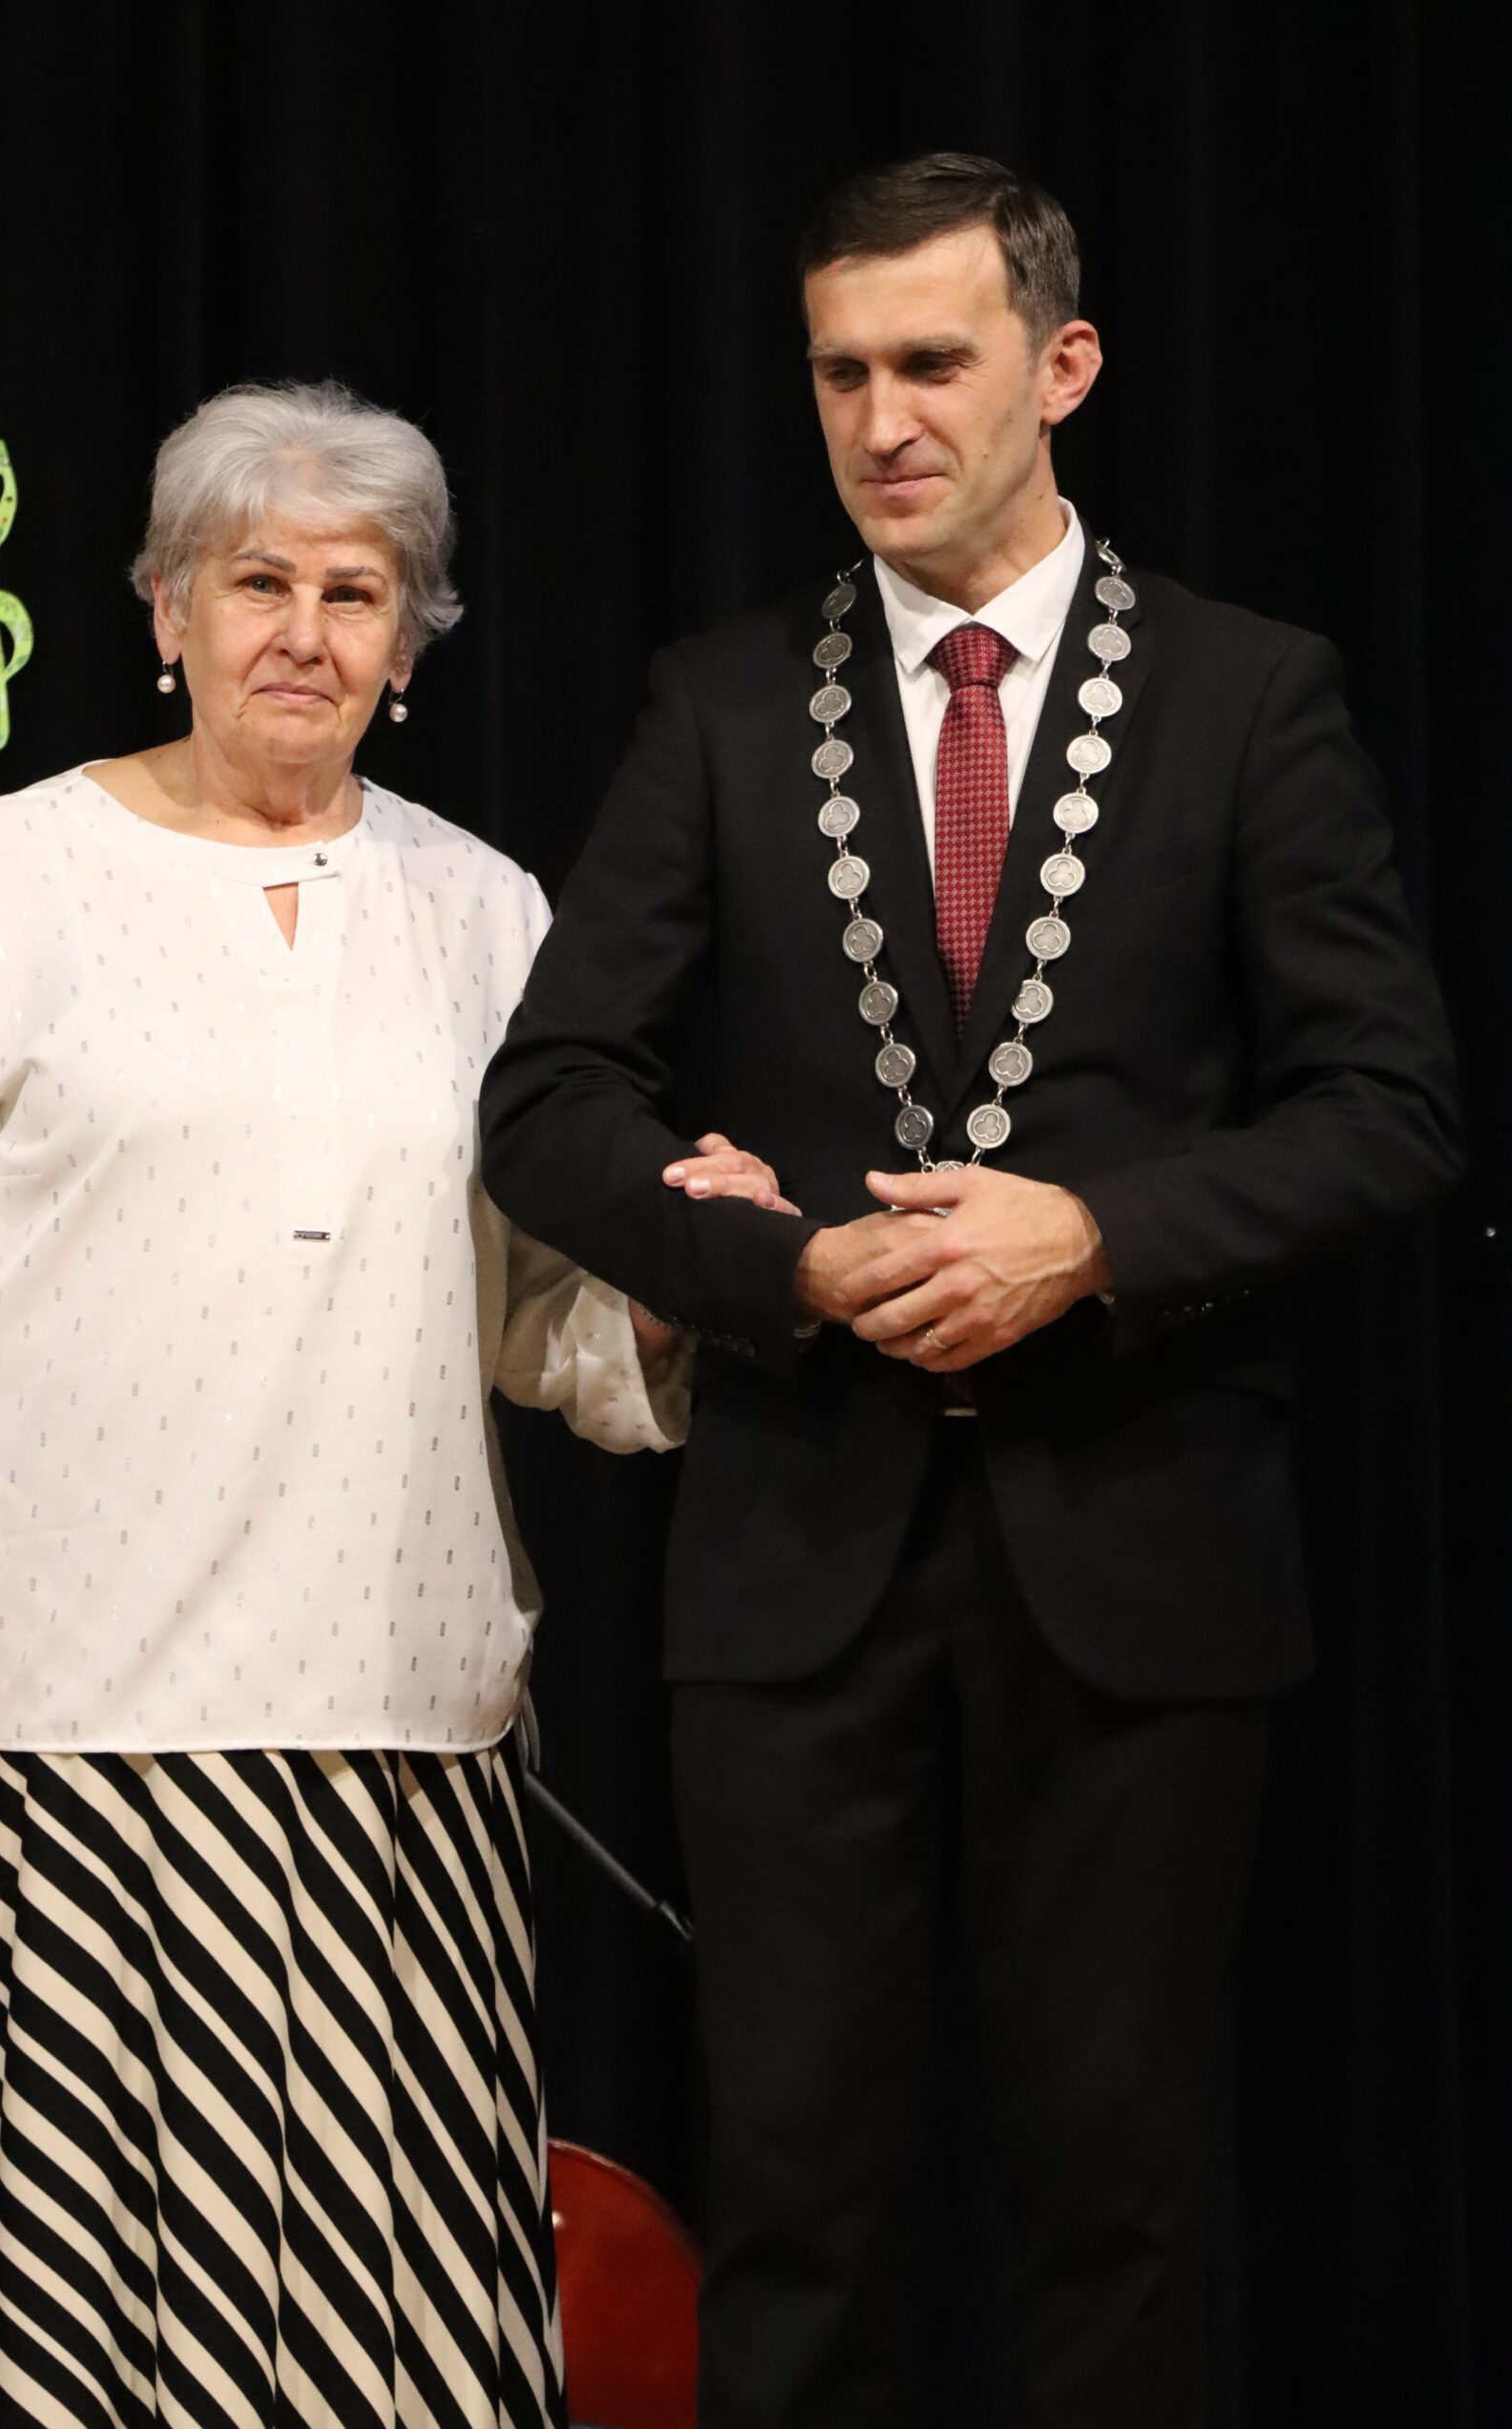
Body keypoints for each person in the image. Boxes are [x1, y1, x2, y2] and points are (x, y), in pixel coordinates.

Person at [478, 155, 1462, 2428]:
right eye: (840, 372)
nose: (882, 417)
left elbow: (1392, 1105)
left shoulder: (1248, 693)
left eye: (932, 361)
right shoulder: (723, 702)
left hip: (1141, 1552)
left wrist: (1094, 1234)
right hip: (796, 1560)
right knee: (800, 2207)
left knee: (1122, 2209)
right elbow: (550, 1099)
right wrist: (784, 1263)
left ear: (1064, 364)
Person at [0, 380, 781, 2429]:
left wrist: (684, 1281)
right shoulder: (7, 874)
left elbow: (542, 1323)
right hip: (57, 1756)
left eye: (355, 591)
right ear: (166, 611)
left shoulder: (487, 914)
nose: (304, 631)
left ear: (409, 643)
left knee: (378, 2352)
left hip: (395, 1764)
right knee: (62, 2345)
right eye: (257, 582)